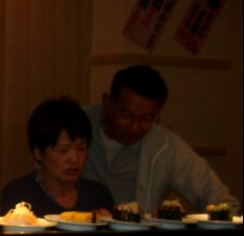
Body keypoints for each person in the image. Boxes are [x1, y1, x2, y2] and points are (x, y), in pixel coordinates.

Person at [82, 65, 239, 214]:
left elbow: (222, 201)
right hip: (74, 235)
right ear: (107, 102)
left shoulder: (164, 144)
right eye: (126, 115)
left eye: (146, 119)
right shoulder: (77, 126)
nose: (135, 127)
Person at [0, 97, 115, 217]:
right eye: (63, 150)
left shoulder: (98, 195)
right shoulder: (20, 195)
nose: (74, 159)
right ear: (38, 153)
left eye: (81, 148)